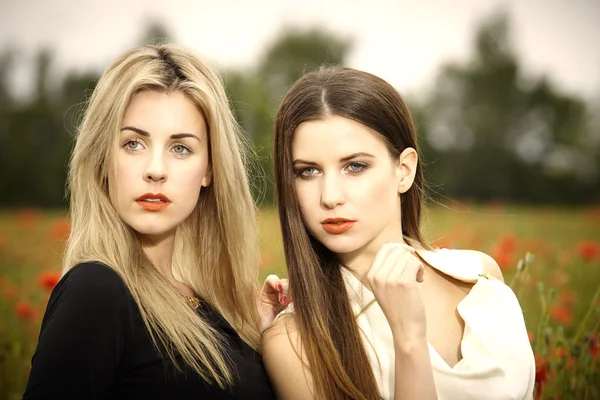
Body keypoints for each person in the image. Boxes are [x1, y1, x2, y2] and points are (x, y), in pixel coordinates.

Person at [23, 44, 285, 399]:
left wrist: (258, 339)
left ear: (209, 168)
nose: (156, 170)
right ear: (102, 159)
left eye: (180, 148)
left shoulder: (207, 304)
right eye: (133, 144)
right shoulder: (97, 291)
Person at [262, 67, 535, 400]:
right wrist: (408, 341)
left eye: (355, 166)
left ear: (404, 170)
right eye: (308, 171)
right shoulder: (294, 341)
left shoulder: (479, 276)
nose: (330, 196)